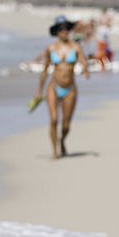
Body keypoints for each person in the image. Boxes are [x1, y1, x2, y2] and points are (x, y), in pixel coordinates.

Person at [33, 16, 90, 159]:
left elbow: (83, 61)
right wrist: (39, 90)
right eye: (60, 29)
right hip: (53, 86)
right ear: (56, 32)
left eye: (65, 28)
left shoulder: (76, 47)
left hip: (70, 88)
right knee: (53, 119)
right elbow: (45, 70)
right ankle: (54, 152)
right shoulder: (51, 48)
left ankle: (62, 140)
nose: (64, 31)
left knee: (66, 124)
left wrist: (85, 69)